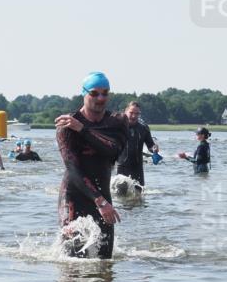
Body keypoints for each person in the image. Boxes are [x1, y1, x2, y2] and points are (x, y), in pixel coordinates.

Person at [54, 71, 127, 259]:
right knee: (73, 263)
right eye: (94, 93)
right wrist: (100, 201)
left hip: (103, 197)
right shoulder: (66, 126)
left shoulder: (117, 122)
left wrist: (83, 130)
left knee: (104, 263)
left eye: (105, 93)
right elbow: (72, 168)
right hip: (73, 197)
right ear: (84, 93)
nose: (100, 98)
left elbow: (113, 152)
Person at [116, 101, 160, 186]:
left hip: (137, 168)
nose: (134, 116)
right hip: (121, 166)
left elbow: (150, 145)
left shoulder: (143, 128)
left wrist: (154, 148)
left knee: (139, 196)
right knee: (120, 196)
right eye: (131, 113)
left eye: (137, 113)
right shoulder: (118, 126)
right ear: (125, 111)